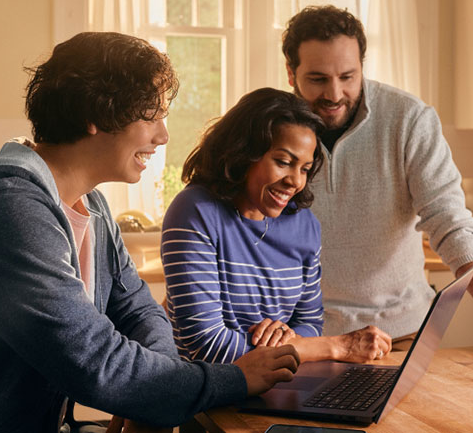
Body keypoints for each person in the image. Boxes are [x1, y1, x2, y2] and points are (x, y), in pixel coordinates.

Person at [0, 32, 302, 433]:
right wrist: (232, 379)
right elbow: (94, 362)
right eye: (150, 116)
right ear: (95, 116)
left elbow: (139, 311)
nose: (163, 136)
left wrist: (149, 400)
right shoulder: (6, 209)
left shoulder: (93, 207)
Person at [281, 5, 473, 359]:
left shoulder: (408, 120)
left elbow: (451, 224)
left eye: (348, 76)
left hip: (398, 335)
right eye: (317, 79)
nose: (335, 93)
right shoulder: (272, 126)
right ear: (290, 72)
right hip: (304, 339)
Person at [161, 87, 392, 365]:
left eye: (305, 169)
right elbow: (207, 347)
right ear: (243, 153)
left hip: (270, 384)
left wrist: (286, 337)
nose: (295, 181)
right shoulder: (195, 211)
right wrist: (336, 347)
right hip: (201, 393)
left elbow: (309, 324)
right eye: (284, 162)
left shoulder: (304, 224)